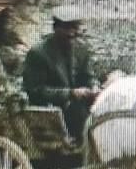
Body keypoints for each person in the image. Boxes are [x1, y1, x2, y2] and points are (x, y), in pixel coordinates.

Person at [21, 8, 99, 141]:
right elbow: (35, 91)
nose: (72, 33)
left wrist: (94, 88)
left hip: (78, 107)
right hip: (51, 112)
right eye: (67, 28)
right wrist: (70, 93)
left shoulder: (82, 49)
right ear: (55, 28)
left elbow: (87, 77)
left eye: (75, 28)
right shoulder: (38, 54)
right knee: (80, 116)